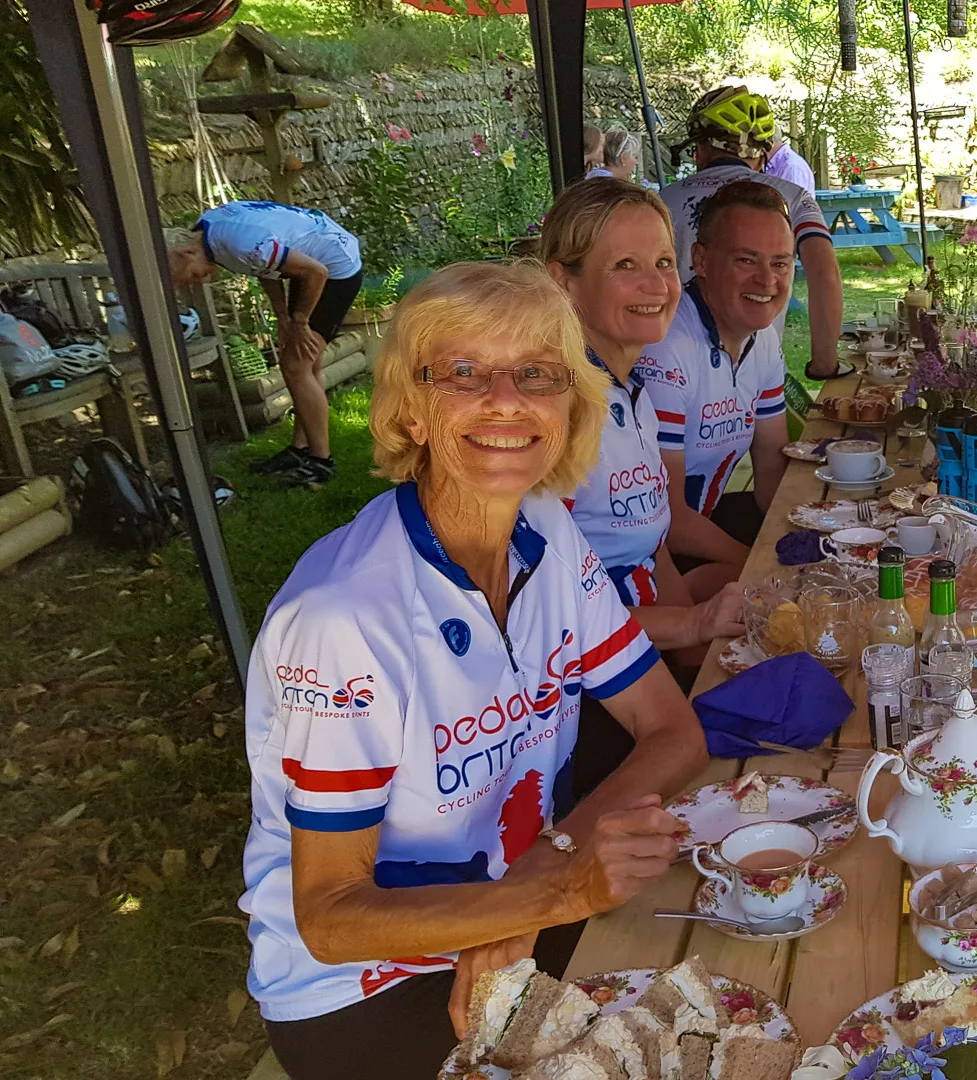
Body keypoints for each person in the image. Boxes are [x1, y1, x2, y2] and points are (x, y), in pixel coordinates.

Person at [239, 262, 708, 1080]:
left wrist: (536, 882)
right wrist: (557, 893)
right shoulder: (345, 618)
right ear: (410, 411)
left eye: (537, 374)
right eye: (462, 373)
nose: (505, 400)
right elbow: (330, 918)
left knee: (717, 997)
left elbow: (673, 732)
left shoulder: (546, 529)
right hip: (364, 988)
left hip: (513, 914)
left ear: (570, 406)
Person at [539, 177, 747, 655]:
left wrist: (696, 659)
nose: (656, 286)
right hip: (586, 679)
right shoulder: (555, 412)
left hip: (648, 643)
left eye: (664, 263)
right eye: (625, 265)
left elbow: (654, 551)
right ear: (563, 281)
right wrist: (690, 627)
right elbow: (541, 610)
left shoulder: (630, 393)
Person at [637, 180, 793, 576]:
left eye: (780, 263)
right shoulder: (665, 348)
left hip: (703, 524)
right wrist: (761, 567)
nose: (767, 280)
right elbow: (667, 518)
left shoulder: (763, 338)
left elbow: (771, 474)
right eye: (746, 261)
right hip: (648, 560)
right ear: (701, 261)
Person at [168, 201, 365, 488]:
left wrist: (300, 322)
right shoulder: (208, 233)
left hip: (334, 268)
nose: (199, 281)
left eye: (193, 275)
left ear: (188, 252)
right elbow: (264, 267)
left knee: (296, 366)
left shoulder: (237, 242)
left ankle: (322, 461)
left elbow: (317, 272)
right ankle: (301, 450)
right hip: (315, 259)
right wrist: (283, 318)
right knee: (307, 363)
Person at [659, 86, 843, 381]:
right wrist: (824, 363)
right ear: (762, 152)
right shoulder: (793, 197)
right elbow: (825, 273)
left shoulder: (660, 202)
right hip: (760, 369)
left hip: (672, 369)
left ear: (700, 149)